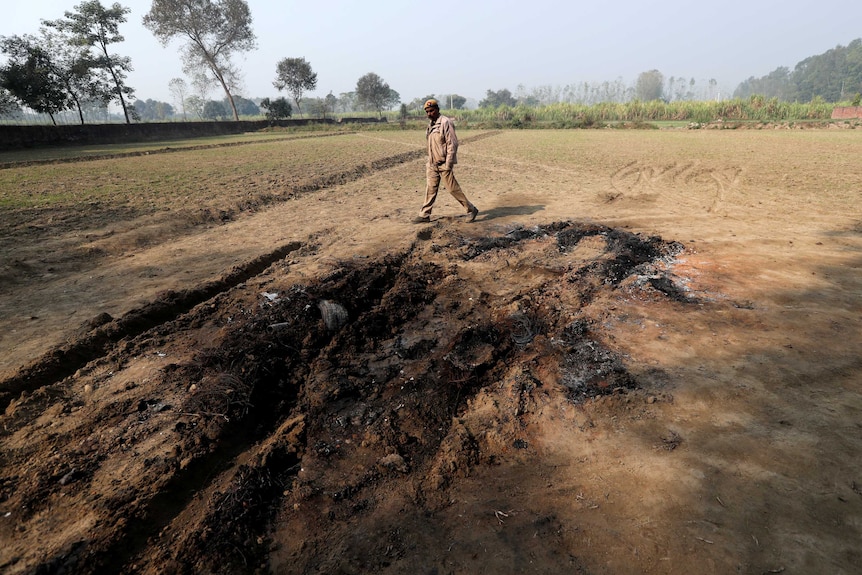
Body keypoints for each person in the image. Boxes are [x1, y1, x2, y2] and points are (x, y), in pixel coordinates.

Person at [413, 99, 479, 223]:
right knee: (430, 189)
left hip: (444, 163)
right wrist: (429, 161)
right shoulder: (431, 125)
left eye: (431, 111)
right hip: (432, 163)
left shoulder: (445, 122)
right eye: (427, 111)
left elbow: (452, 143)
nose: (429, 114)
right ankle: (424, 215)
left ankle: (471, 209)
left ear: (437, 109)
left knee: (453, 189)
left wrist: (449, 163)